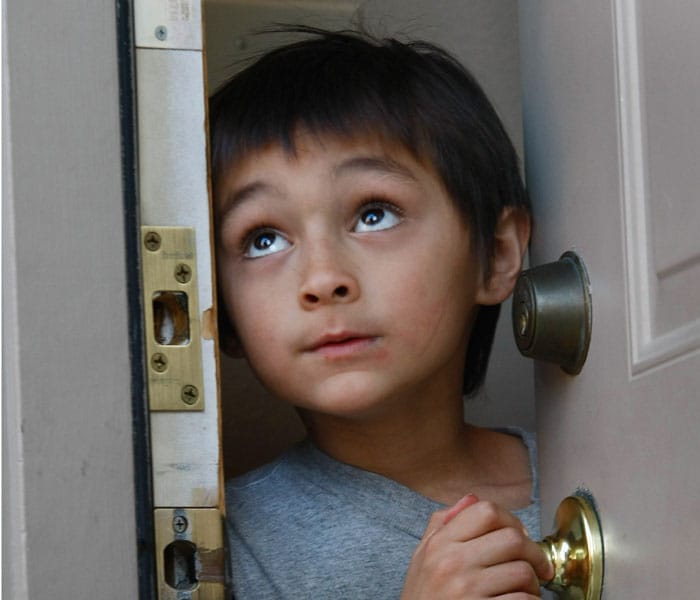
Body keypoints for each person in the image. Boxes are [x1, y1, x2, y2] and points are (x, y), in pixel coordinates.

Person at [209, 27, 552, 599]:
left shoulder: (605, 477)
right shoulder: (220, 551)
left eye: (374, 215)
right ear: (220, 308)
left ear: (495, 256)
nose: (322, 280)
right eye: (264, 239)